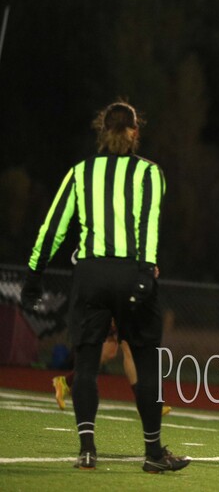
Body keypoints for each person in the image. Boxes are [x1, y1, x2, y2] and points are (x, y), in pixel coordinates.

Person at [21, 101, 189, 473]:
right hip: (133, 273)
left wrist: (33, 278)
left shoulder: (81, 172)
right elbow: (150, 226)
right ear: (135, 132)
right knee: (144, 362)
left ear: (101, 131)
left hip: (91, 275)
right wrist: (145, 271)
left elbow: (53, 229)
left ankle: (86, 449)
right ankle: (153, 453)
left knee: (86, 365)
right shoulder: (149, 173)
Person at [52, 320, 173, 416]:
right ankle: (145, 405)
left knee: (108, 352)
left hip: (121, 306)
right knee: (129, 351)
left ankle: (65, 382)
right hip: (116, 305)